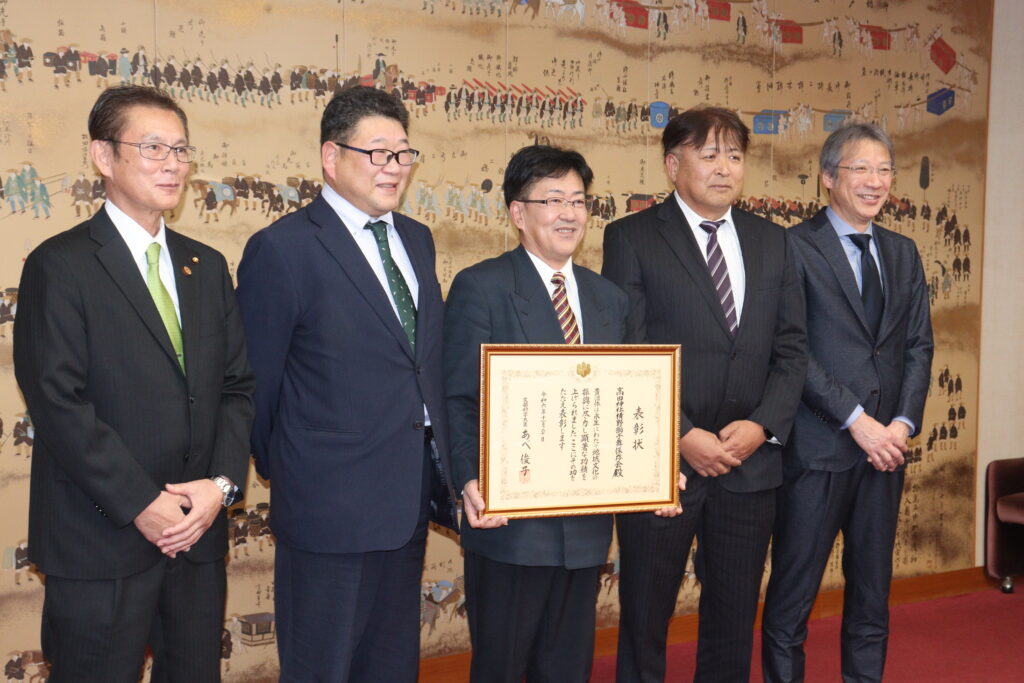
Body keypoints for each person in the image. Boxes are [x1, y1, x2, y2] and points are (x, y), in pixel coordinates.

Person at [12, 84, 254, 682]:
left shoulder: (207, 266)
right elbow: (58, 400)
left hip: (196, 538)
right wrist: (142, 504)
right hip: (100, 540)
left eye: (180, 149)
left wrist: (219, 488)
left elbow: (236, 388)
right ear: (103, 156)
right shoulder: (60, 264)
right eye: (152, 148)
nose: (173, 163)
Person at [236, 85, 458, 682]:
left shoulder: (416, 239)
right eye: (378, 153)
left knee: (390, 666)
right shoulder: (281, 250)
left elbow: (420, 364)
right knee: (322, 668)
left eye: (403, 154)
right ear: (331, 158)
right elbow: (260, 385)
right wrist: (297, 468)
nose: (394, 168)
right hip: (327, 506)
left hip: (405, 499)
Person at [445, 145, 678, 682]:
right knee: (502, 668)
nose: (570, 213)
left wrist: (658, 469)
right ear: (518, 212)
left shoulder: (607, 300)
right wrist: (466, 479)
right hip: (510, 527)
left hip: (586, 529)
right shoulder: (482, 287)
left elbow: (622, 402)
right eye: (553, 200)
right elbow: (458, 398)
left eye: (578, 200)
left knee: (568, 669)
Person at [601, 106, 808, 682]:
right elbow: (629, 351)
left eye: (735, 156)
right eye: (709, 154)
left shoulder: (774, 243)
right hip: (665, 465)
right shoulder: (632, 237)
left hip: (750, 464)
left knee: (733, 614)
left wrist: (763, 426)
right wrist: (683, 433)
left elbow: (793, 349)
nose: (725, 168)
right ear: (674, 164)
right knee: (646, 614)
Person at [761, 122, 933, 683]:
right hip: (817, 451)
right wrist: (858, 421)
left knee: (870, 600)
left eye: (884, 170)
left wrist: (901, 425)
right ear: (829, 177)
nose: (875, 181)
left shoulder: (903, 252)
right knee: (791, 602)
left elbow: (916, 345)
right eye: (861, 169)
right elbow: (793, 351)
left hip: (886, 455)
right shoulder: (793, 246)